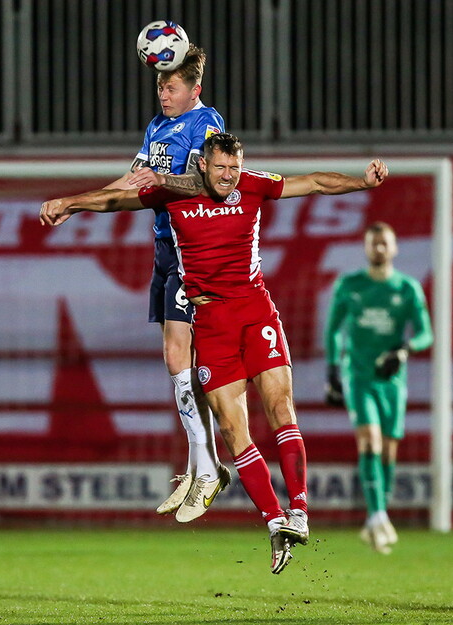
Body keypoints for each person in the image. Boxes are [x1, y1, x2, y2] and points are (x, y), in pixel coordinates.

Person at [40, 132, 389, 574]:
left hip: (255, 310)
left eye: (234, 167)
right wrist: (70, 203)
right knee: (231, 426)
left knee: (281, 406)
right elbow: (115, 200)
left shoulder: (253, 185)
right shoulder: (170, 194)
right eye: (221, 167)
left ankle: (299, 509)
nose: (229, 176)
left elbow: (315, 183)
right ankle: (275, 521)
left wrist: (363, 182)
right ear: (203, 165)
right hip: (212, 322)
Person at [102, 44, 229, 522]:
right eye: (159, 84)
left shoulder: (206, 123)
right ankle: (201, 463)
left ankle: (209, 467)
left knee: (184, 360)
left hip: (192, 252)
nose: (162, 92)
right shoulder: (156, 128)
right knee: (180, 366)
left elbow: (208, 184)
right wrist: (81, 201)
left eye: (170, 85)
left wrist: (159, 178)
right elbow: (134, 179)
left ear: (194, 89)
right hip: (164, 249)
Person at [323, 222, 433, 554]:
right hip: (358, 374)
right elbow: (333, 330)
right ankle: (377, 516)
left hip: (392, 380)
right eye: (374, 243)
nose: (379, 249)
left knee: (387, 450)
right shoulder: (349, 285)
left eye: (385, 243)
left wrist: (403, 350)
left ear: (395, 248)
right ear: (366, 248)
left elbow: (426, 333)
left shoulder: (408, 288)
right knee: (369, 441)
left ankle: (377, 516)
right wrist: (332, 370)